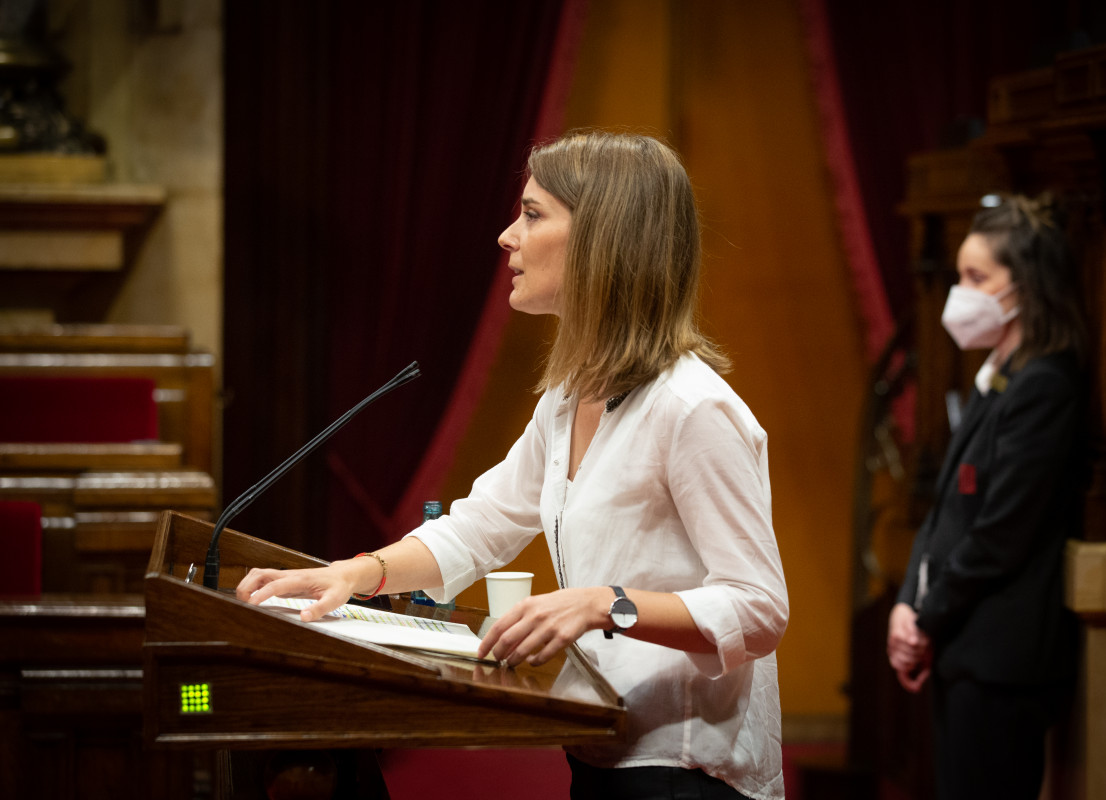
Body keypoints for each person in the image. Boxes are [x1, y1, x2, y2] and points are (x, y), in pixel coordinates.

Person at [237, 130, 789, 800]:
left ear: (601, 240)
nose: (506, 236)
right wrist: (350, 575)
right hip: (601, 748)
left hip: (687, 771)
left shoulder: (693, 409)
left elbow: (759, 607)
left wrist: (603, 604)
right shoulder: (566, 399)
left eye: (532, 214)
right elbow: (478, 528)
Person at [887, 193, 1088, 799]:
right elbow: (947, 510)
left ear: (1023, 286)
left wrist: (923, 618)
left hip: (1001, 663)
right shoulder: (1000, 375)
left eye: (977, 278)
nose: (961, 294)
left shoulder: (1045, 385)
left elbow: (1000, 533)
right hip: (961, 650)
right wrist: (905, 602)